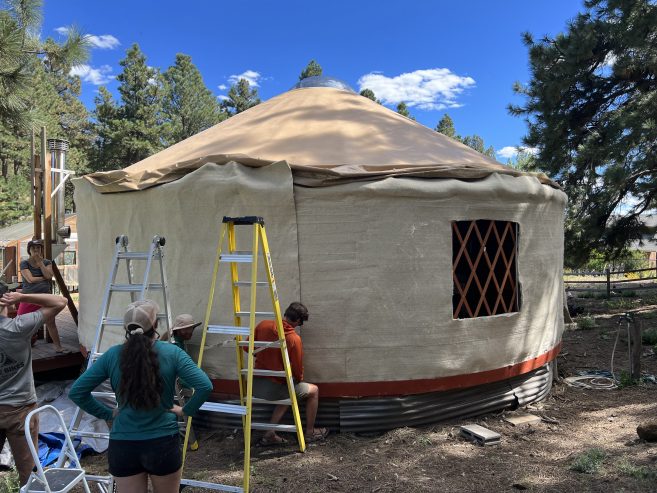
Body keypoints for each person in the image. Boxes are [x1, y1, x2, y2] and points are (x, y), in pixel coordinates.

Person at [69, 300, 212, 493]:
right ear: (156, 325)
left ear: (126, 328)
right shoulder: (172, 353)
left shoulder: (112, 355)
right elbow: (204, 386)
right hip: (162, 444)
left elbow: (77, 392)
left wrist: (109, 413)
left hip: (124, 446)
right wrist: (185, 410)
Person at [0, 286, 67, 485]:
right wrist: (23, 296)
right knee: (29, 473)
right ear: (6, 301)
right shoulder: (18, 327)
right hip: (20, 410)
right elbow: (60, 301)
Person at [250, 302, 328, 445]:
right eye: (301, 323)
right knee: (313, 391)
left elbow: (248, 347)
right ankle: (310, 433)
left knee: (288, 391)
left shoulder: (263, 325)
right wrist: (298, 379)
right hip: (274, 390)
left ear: (286, 313)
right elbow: (297, 370)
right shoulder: (293, 338)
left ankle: (269, 434)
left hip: (254, 386)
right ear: (298, 320)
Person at [18, 239, 67, 353]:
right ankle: (17, 347)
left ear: (41, 249)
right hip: (29, 296)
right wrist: (44, 277)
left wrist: (40, 264)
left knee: (51, 322)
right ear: (29, 250)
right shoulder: (24, 263)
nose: (36, 250)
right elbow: (30, 279)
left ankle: (58, 347)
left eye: (38, 248)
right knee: (20, 322)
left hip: (45, 296)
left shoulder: (46, 262)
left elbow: (49, 275)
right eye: (33, 248)